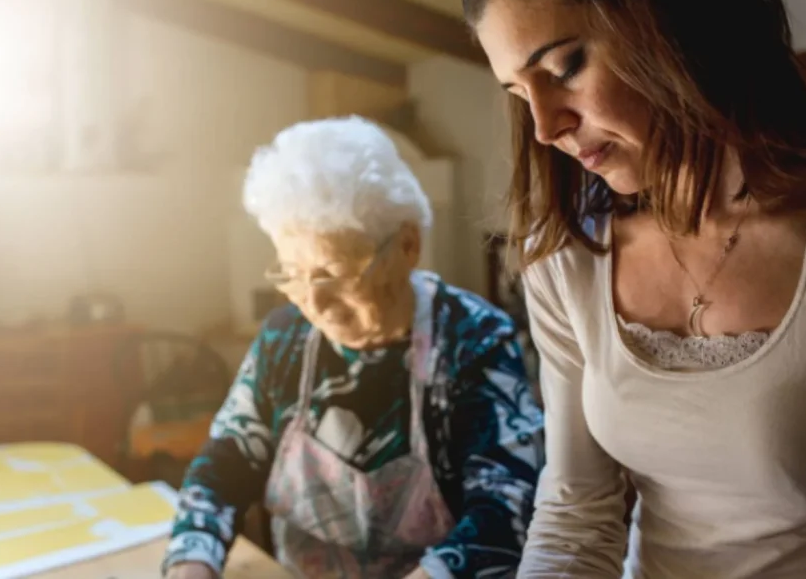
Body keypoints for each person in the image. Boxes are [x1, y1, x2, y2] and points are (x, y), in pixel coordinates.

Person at [456, 0, 806, 577]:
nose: (547, 126)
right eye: (521, 94)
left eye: (565, 67)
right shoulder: (567, 264)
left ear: (670, 26)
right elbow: (578, 515)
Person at [162, 116, 544, 579]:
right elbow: (226, 461)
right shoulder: (285, 338)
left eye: (332, 274)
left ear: (406, 246)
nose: (313, 301)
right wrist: (192, 559)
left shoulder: (474, 340)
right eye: (291, 273)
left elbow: (508, 502)